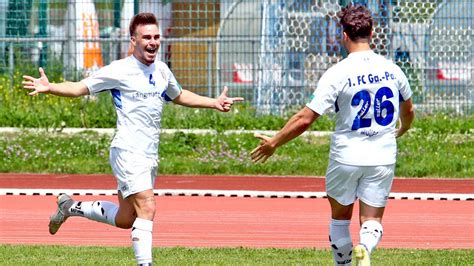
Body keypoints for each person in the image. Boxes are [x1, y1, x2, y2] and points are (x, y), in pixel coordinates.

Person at [22, 12, 243, 266]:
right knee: (147, 207)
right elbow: (80, 87)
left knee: (127, 218)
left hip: (149, 155)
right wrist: (51, 87)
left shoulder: (162, 70)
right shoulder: (120, 69)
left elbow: (179, 95)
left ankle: (70, 207)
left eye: (156, 37)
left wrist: (213, 102)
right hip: (127, 151)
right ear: (134, 40)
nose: (153, 42)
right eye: (146, 37)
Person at [250, 4, 414, 266]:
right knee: (372, 220)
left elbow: (306, 118)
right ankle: (365, 248)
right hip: (382, 155)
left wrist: (274, 142)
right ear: (372, 33)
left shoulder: (337, 73)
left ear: (344, 35)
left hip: (346, 156)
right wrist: (403, 128)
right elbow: (408, 110)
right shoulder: (393, 70)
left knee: (339, 218)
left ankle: (345, 263)